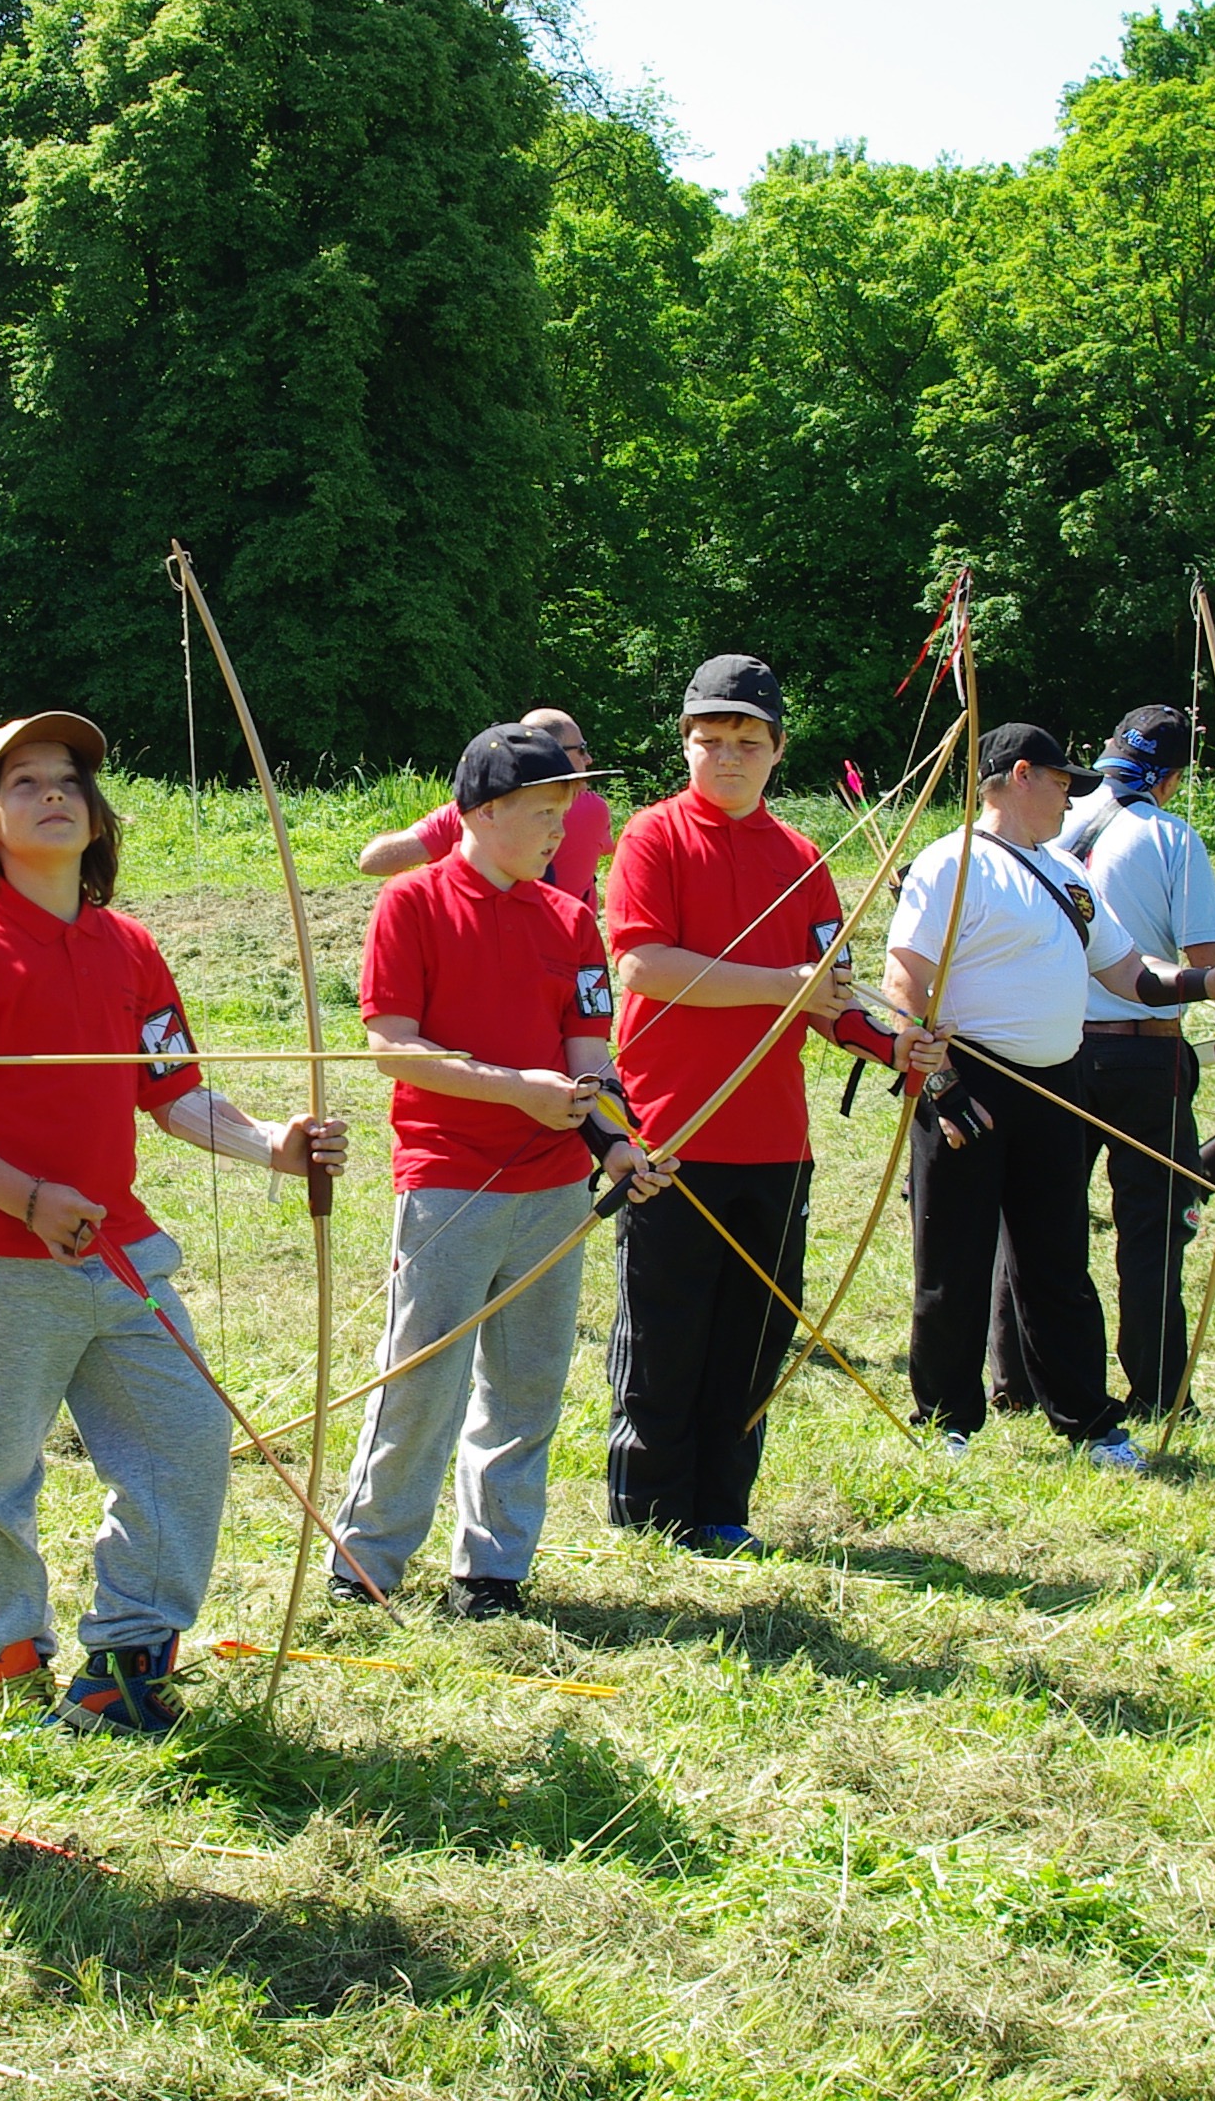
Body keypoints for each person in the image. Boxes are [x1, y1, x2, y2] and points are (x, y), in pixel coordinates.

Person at [0, 712, 346, 1734]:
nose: (53, 793)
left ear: (97, 817)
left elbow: (172, 1091)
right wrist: (27, 1199)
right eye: (23, 782)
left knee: (184, 1438)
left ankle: (126, 1664)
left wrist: (271, 1145)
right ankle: (7, 1654)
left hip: (119, 1253)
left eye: (68, 779)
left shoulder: (130, 947)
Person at [893, 724, 1215, 1464]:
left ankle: (1086, 1420)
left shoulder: (1065, 871)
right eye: (1062, 784)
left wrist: (1208, 982)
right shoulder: (949, 863)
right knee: (954, 1259)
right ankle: (945, 1420)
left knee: (1057, 1261)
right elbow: (906, 978)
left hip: (1059, 1083)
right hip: (970, 1085)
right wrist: (941, 1081)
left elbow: (1131, 975)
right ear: (1020, 775)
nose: (1071, 801)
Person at [330, 722, 666, 1618]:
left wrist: (615, 1142)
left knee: (527, 1385)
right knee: (421, 1379)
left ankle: (492, 1570)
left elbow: (588, 1062)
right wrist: (515, 1089)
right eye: (543, 810)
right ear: (480, 812)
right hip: (448, 1181)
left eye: (566, 810)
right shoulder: (412, 904)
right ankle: (367, 1562)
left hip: (551, 1189)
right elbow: (391, 1048)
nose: (562, 827)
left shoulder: (570, 920)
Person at [602, 656, 848, 1552]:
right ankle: (648, 1510)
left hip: (775, 1139)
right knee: (666, 1328)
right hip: (673, 1130)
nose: (729, 757)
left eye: (748, 740)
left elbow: (835, 992)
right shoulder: (653, 837)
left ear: (778, 750)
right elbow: (644, 965)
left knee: (754, 1334)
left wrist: (897, 1043)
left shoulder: (802, 858)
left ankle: (721, 1510)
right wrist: (786, 984)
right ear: (686, 747)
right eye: (710, 740)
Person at [1013, 703, 1215, 1421]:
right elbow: (1209, 963)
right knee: (1152, 1229)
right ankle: (1159, 1391)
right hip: (1144, 1053)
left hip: (1058, 1049)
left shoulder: (1046, 826)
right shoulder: (1169, 837)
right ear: (1169, 779)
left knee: (1042, 1219)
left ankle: (1017, 1380)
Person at [358, 708, 617, 908]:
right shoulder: (595, 810)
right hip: (564, 947)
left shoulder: (468, 813)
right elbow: (606, 847)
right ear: (552, 752)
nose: (588, 758)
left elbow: (372, 861)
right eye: (581, 749)